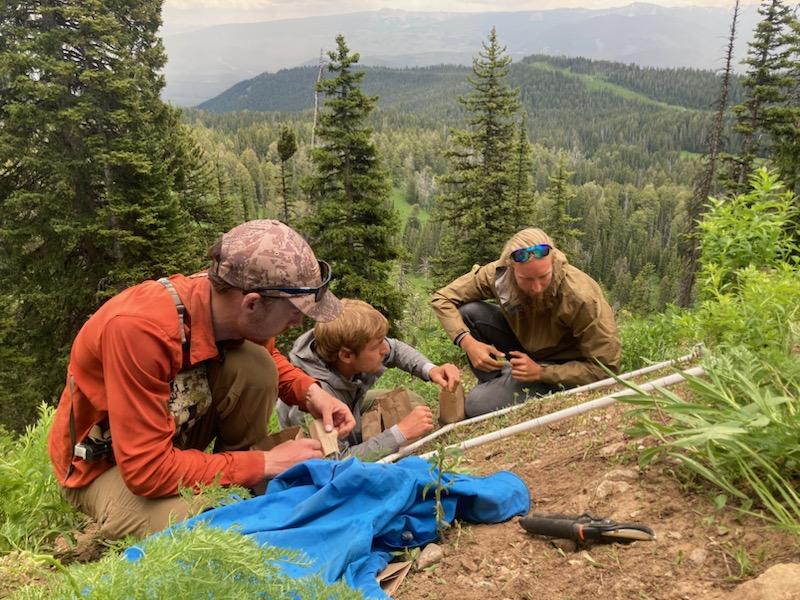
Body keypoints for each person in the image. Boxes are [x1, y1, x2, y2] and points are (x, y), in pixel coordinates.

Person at [47, 220, 357, 539]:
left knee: (257, 365)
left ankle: (237, 477)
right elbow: (146, 470)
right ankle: (229, 485)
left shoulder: (225, 298)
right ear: (252, 303)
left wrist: (311, 394)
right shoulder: (139, 330)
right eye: (296, 313)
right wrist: (263, 463)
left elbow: (271, 359)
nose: (297, 323)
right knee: (212, 528)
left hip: (168, 437)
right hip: (106, 467)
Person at [431, 228, 620, 417]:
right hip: (526, 348)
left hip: (564, 366)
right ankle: (498, 382)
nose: (536, 288)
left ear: (553, 261)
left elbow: (605, 370)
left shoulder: (581, 296)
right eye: (526, 279)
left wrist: (542, 372)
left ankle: (508, 386)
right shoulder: (498, 275)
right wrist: (468, 342)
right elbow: (442, 299)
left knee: (474, 405)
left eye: (543, 276)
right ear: (511, 268)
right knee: (470, 312)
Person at [276, 299, 461, 460]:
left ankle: (367, 436)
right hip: (326, 445)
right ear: (346, 355)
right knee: (404, 424)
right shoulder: (311, 403)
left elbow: (395, 348)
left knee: (411, 403)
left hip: (350, 408)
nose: (385, 350)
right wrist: (400, 433)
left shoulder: (348, 351)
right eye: (376, 346)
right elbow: (334, 462)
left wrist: (431, 370)